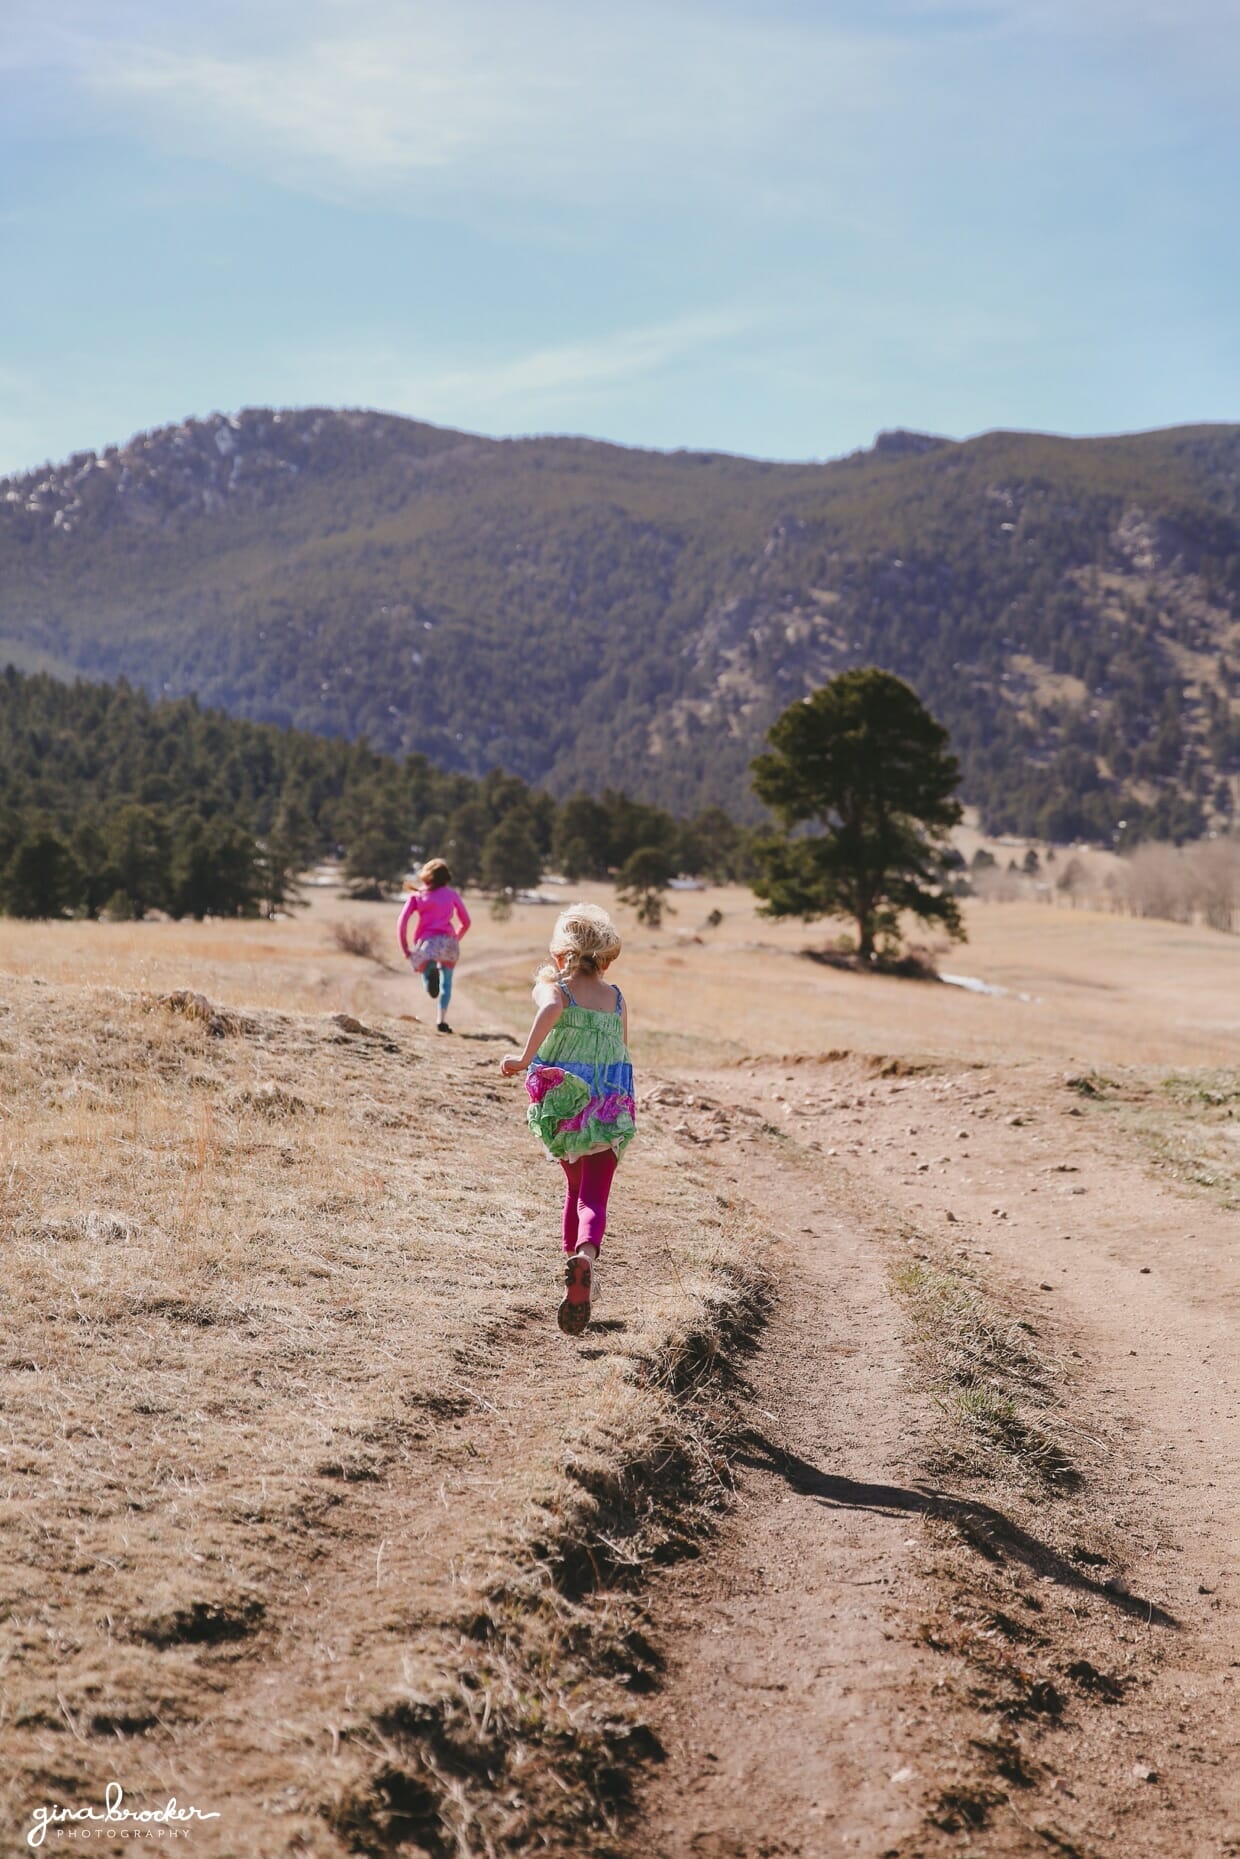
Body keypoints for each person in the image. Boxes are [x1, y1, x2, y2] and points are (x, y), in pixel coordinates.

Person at [500, 903, 636, 1335]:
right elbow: (623, 1051)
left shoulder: (553, 988)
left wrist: (523, 1059)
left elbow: (548, 1012)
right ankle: (586, 1260)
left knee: (573, 1187)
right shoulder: (615, 997)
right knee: (593, 1196)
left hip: (566, 1107)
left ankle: (572, 1265)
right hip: (608, 1109)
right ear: (605, 956)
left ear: (561, 952)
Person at [397, 858, 471, 1033]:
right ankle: (442, 1020)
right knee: (447, 983)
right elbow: (466, 921)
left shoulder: (418, 896)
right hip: (449, 942)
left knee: (426, 969)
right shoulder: (452, 894)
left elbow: (402, 922)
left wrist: (405, 948)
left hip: (428, 943)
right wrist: (455, 938)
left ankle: (430, 978)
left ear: (426, 875)